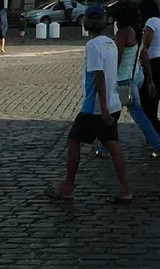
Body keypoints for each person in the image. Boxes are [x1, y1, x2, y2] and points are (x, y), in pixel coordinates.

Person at [46, 19, 134, 204]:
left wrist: (102, 107)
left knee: (73, 141)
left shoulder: (92, 45)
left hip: (95, 107)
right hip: (114, 102)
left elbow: (98, 75)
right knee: (112, 144)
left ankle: (67, 187)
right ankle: (125, 188)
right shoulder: (110, 43)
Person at [111, 2, 160, 158]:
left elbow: (117, 58)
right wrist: (149, 79)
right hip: (132, 79)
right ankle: (158, 145)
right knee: (139, 115)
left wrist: (109, 76)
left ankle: (107, 147)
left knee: (108, 114)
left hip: (120, 80)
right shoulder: (137, 33)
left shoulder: (122, 34)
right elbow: (144, 56)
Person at [137, 0, 160, 138]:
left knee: (145, 102)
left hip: (153, 63)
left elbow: (147, 45)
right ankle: (151, 135)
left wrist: (140, 58)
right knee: (153, 99)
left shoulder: (150, 22)